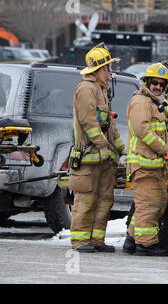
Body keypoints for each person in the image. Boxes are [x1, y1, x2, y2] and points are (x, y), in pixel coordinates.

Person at [69, 43, 126, 253]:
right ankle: (81, 241)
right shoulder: (86, 89)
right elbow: (88, 122)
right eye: (109, 68)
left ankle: (96, 240)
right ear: (101, 69)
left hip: (103, 161)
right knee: (86, 199)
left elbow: (109, 125)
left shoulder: (101, 90)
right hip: (88, 158)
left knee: (104, 201)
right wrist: (102, 146)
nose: (111, 72)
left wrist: (121, 149)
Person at [123, 62, 168, 256]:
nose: (158, 86)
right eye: (154, 82)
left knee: (156, 203)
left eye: (161, 84)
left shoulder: (156, 102)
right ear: (147, 82)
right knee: (147, 205)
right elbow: (143, 130)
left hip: (153, 164)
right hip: (143, 163)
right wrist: (164, 150)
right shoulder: (141, 102)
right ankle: (146, 244)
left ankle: (131, 240)